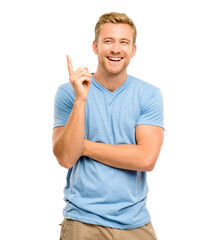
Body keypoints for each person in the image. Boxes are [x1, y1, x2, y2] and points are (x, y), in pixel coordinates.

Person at [53, 12, 164, 240]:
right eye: (108, 41)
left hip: (135, 223)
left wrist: (83, 147)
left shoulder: (149, 95)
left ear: (133, 50)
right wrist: (81, 99)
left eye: (124, 42)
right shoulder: (69, 92)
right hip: (82, 221)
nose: (116, 49)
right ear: (95, 46)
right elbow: (65, 157)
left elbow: (146, 159)